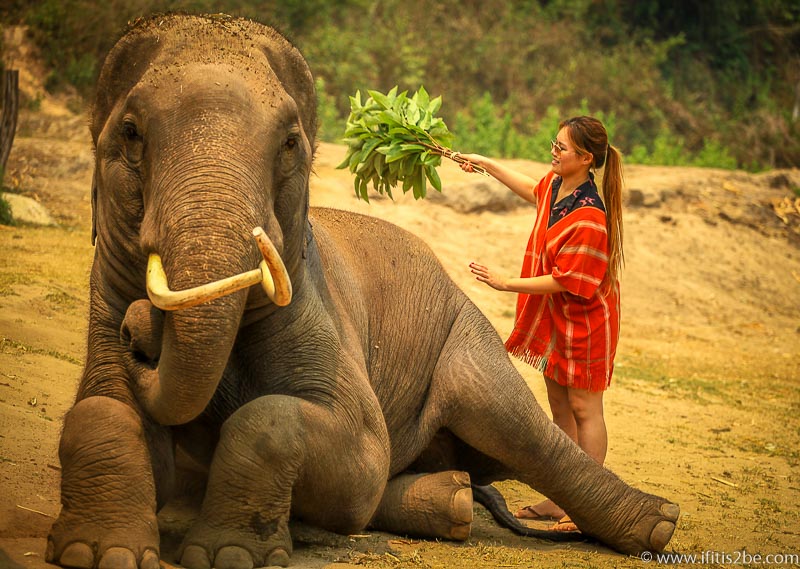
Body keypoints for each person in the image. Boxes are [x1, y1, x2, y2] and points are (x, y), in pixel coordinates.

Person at [458, 116, 624, 532]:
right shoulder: (555, 187)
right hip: (557, 317)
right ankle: (559, 496)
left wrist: (505, 283)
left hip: (587, 321)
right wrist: (483, 162)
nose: (553, 151)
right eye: (554, 143)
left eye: (562, 148)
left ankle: (588, 502)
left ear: (586, 159)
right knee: (558, 405)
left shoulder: (590, 216)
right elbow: (529, 187)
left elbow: (569, 279)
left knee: (585, 408)